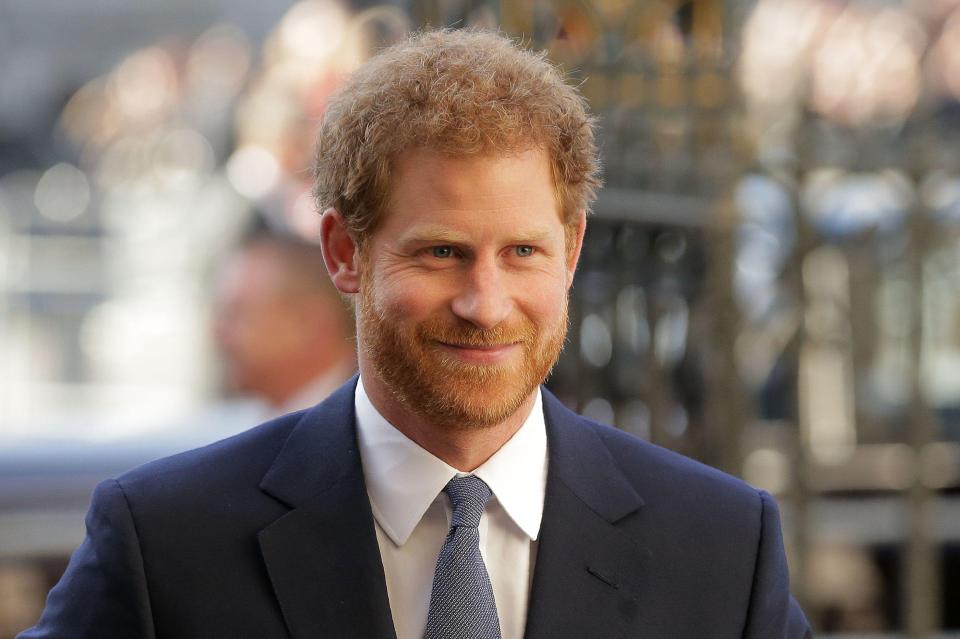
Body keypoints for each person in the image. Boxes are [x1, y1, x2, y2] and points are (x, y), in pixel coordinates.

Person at [20, 29, 811, 638]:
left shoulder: (719, 548)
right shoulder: (167, 541)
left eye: (523, 252)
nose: (485, 301)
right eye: (442, 252)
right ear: (343, 253)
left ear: (570, 251)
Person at [213, 228, 356, 418]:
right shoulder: (269, 421)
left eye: (237, 315)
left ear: (310, 323)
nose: (217, 333)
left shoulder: (361, 425)